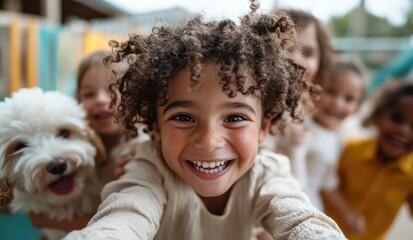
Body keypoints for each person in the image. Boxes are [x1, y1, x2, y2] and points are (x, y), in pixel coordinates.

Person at [64, 3, 345, 239]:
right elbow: (125, 216)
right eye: (184, 117)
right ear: (156, 126)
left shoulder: (267, 172)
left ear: (264, 128)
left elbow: (297, 216)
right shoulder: (150, 166)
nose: (209, 142)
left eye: (234, 117)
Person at [27, 51, 143, 233]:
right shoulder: (73, 144)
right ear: (77, 101)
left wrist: (45, 220)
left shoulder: (137, 148)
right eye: (89, 94)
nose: (101, 99)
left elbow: (118, 222)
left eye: (113, 90)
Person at [322, 81, 413, 240]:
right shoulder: (350, 149)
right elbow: (324, 183)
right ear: (378, 116)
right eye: (397, 118)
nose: (404, 130)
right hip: (320, 232)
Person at [264, 8, 334, 187]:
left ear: (321, 60)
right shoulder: (258, 100)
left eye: (308, 53)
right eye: (284, 49)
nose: (295, 59)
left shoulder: (309, 101)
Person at [303, 55, 368, 211]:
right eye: (331, 92)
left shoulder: (340, 140)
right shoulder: (299, 122)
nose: (337, 103)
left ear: (357, 107)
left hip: (310, 203)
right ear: (315, 87)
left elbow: (327, 182)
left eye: (349, 99)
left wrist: (348, 214)